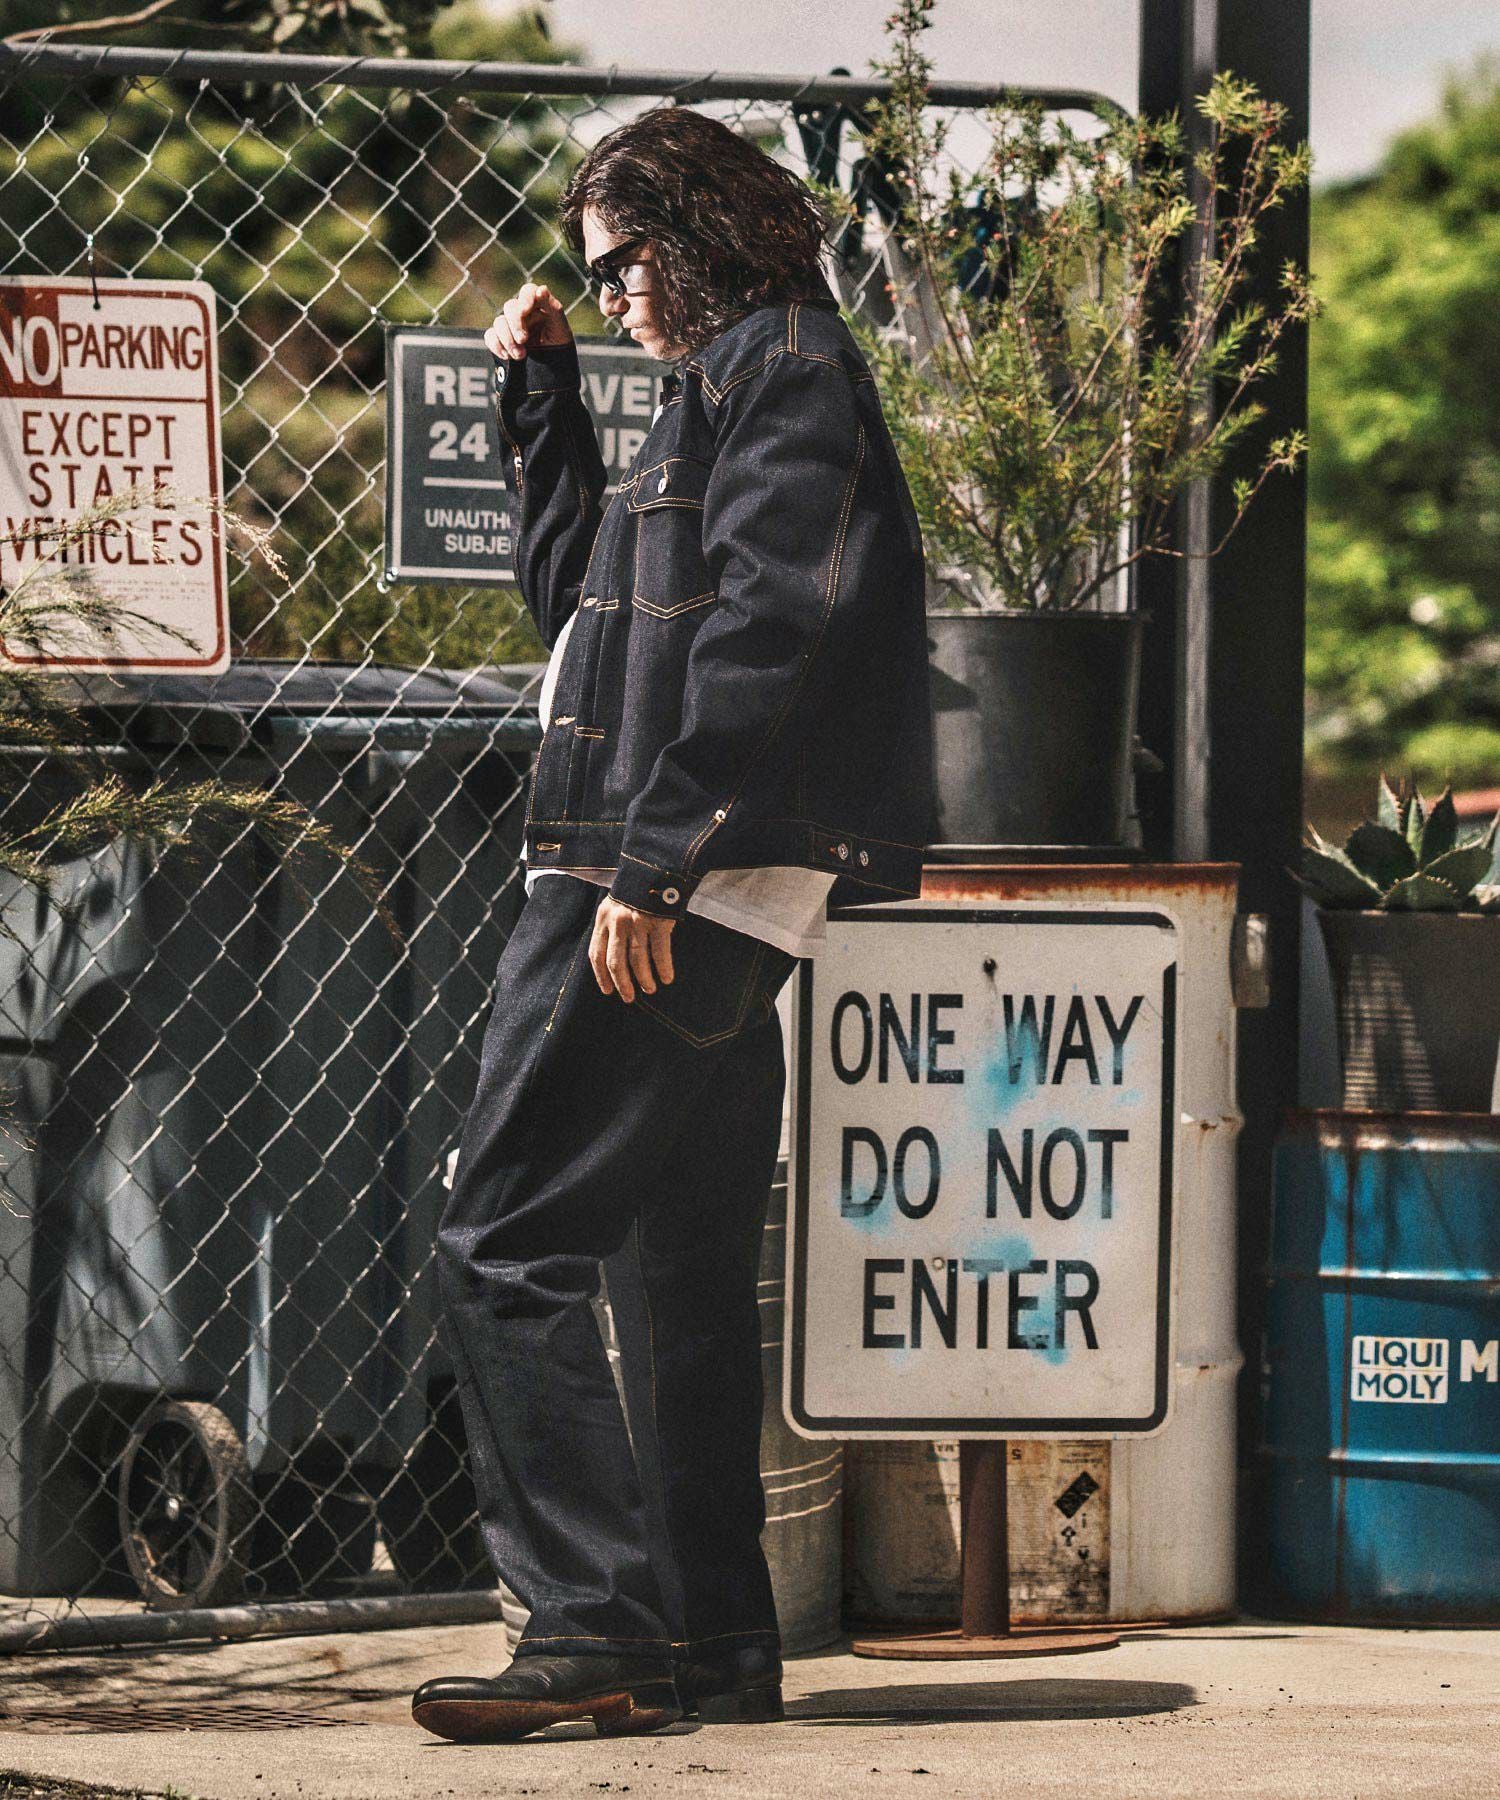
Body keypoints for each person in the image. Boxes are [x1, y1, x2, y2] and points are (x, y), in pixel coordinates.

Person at [412, 104, 935, 1745]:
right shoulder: (717, 389)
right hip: (689, 872)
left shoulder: (785, 365)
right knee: (676, 1268)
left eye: (624, 261)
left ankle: (587, 1627)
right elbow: (584, 608)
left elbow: (786, 618)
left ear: (700, 228)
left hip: (651, 880)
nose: (614, 291)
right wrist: (545, 399)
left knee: (503, 1237)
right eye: (595, 273)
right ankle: (712, 1643)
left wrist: (655, 861)